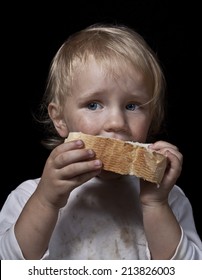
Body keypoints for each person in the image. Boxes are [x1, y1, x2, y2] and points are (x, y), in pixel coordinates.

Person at [0, 23, 202, 260]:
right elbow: (11, 267)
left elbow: (186, 272)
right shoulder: (29, 196)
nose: (116, 122)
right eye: (93, 104)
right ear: (60, 119)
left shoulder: (169, 197)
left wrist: (154, 204)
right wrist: (46, 201)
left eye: (132, 106)